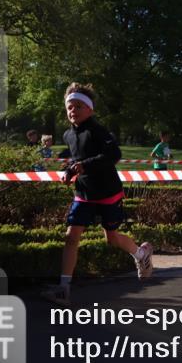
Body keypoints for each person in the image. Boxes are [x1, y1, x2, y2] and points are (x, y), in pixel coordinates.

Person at [42, 83, 154, 306]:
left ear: (90, 109)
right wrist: (68, 171)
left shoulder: (99, 131)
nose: (73, 110)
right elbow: (75, 160)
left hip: (108, 192)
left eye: (79, 106)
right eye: (70, 107)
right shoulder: (67, 135)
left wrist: (86, 165)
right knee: (71, 237)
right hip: (83, 193)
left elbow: (114, 154)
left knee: (111, 239)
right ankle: (64, 288)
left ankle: (141, 254)